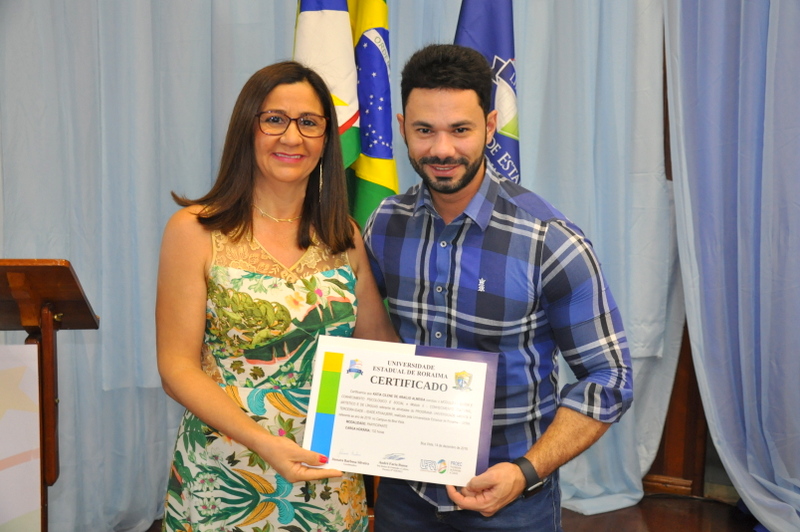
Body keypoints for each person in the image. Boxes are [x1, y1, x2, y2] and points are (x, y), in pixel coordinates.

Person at [363, 44, 633, 532]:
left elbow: (609, 377)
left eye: (460, 129)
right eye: (424, 130)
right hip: (405, 494)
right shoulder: (384, 225)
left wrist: (525, 471)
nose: (442, 149)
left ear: (490, 126)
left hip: (513, 502)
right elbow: (357, 333)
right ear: (401, 127)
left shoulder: (549, 240)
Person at [156, 61, 397, 532]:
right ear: (247, 129)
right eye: (274, 120)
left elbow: (378, 350)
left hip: (326, 477)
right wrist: (265, 444)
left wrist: (444, 414)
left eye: (309, 122)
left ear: (326, 139)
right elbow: (176, 369)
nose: (292, 137)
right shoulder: (195, 231)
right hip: (226, 474)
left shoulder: (343, 235)